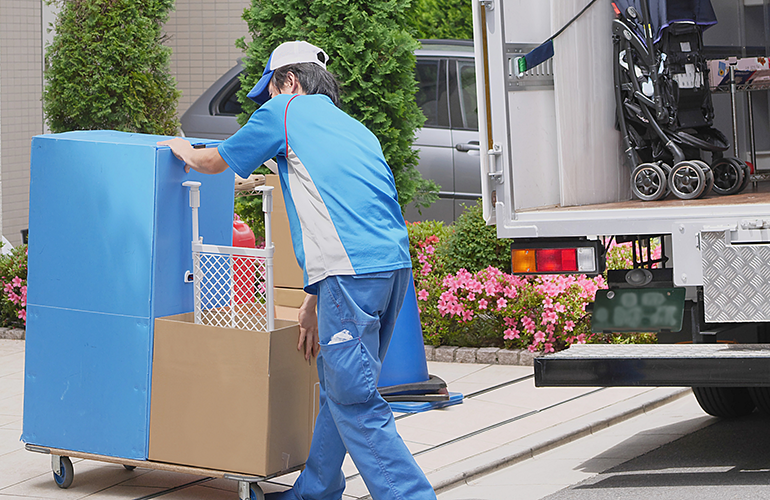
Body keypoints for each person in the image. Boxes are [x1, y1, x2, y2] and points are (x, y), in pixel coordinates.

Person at [158, 41, 437, 500]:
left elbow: (213, 162)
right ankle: (314, 493)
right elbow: (350, 215)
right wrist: (313, 301)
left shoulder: (284, 111)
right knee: (337, 387)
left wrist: (181, 147)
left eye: (267, 90)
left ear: (289, 81)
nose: (265, 101)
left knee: (356, 401)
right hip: (390, 270)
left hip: (350, 276)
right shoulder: (353, 128)